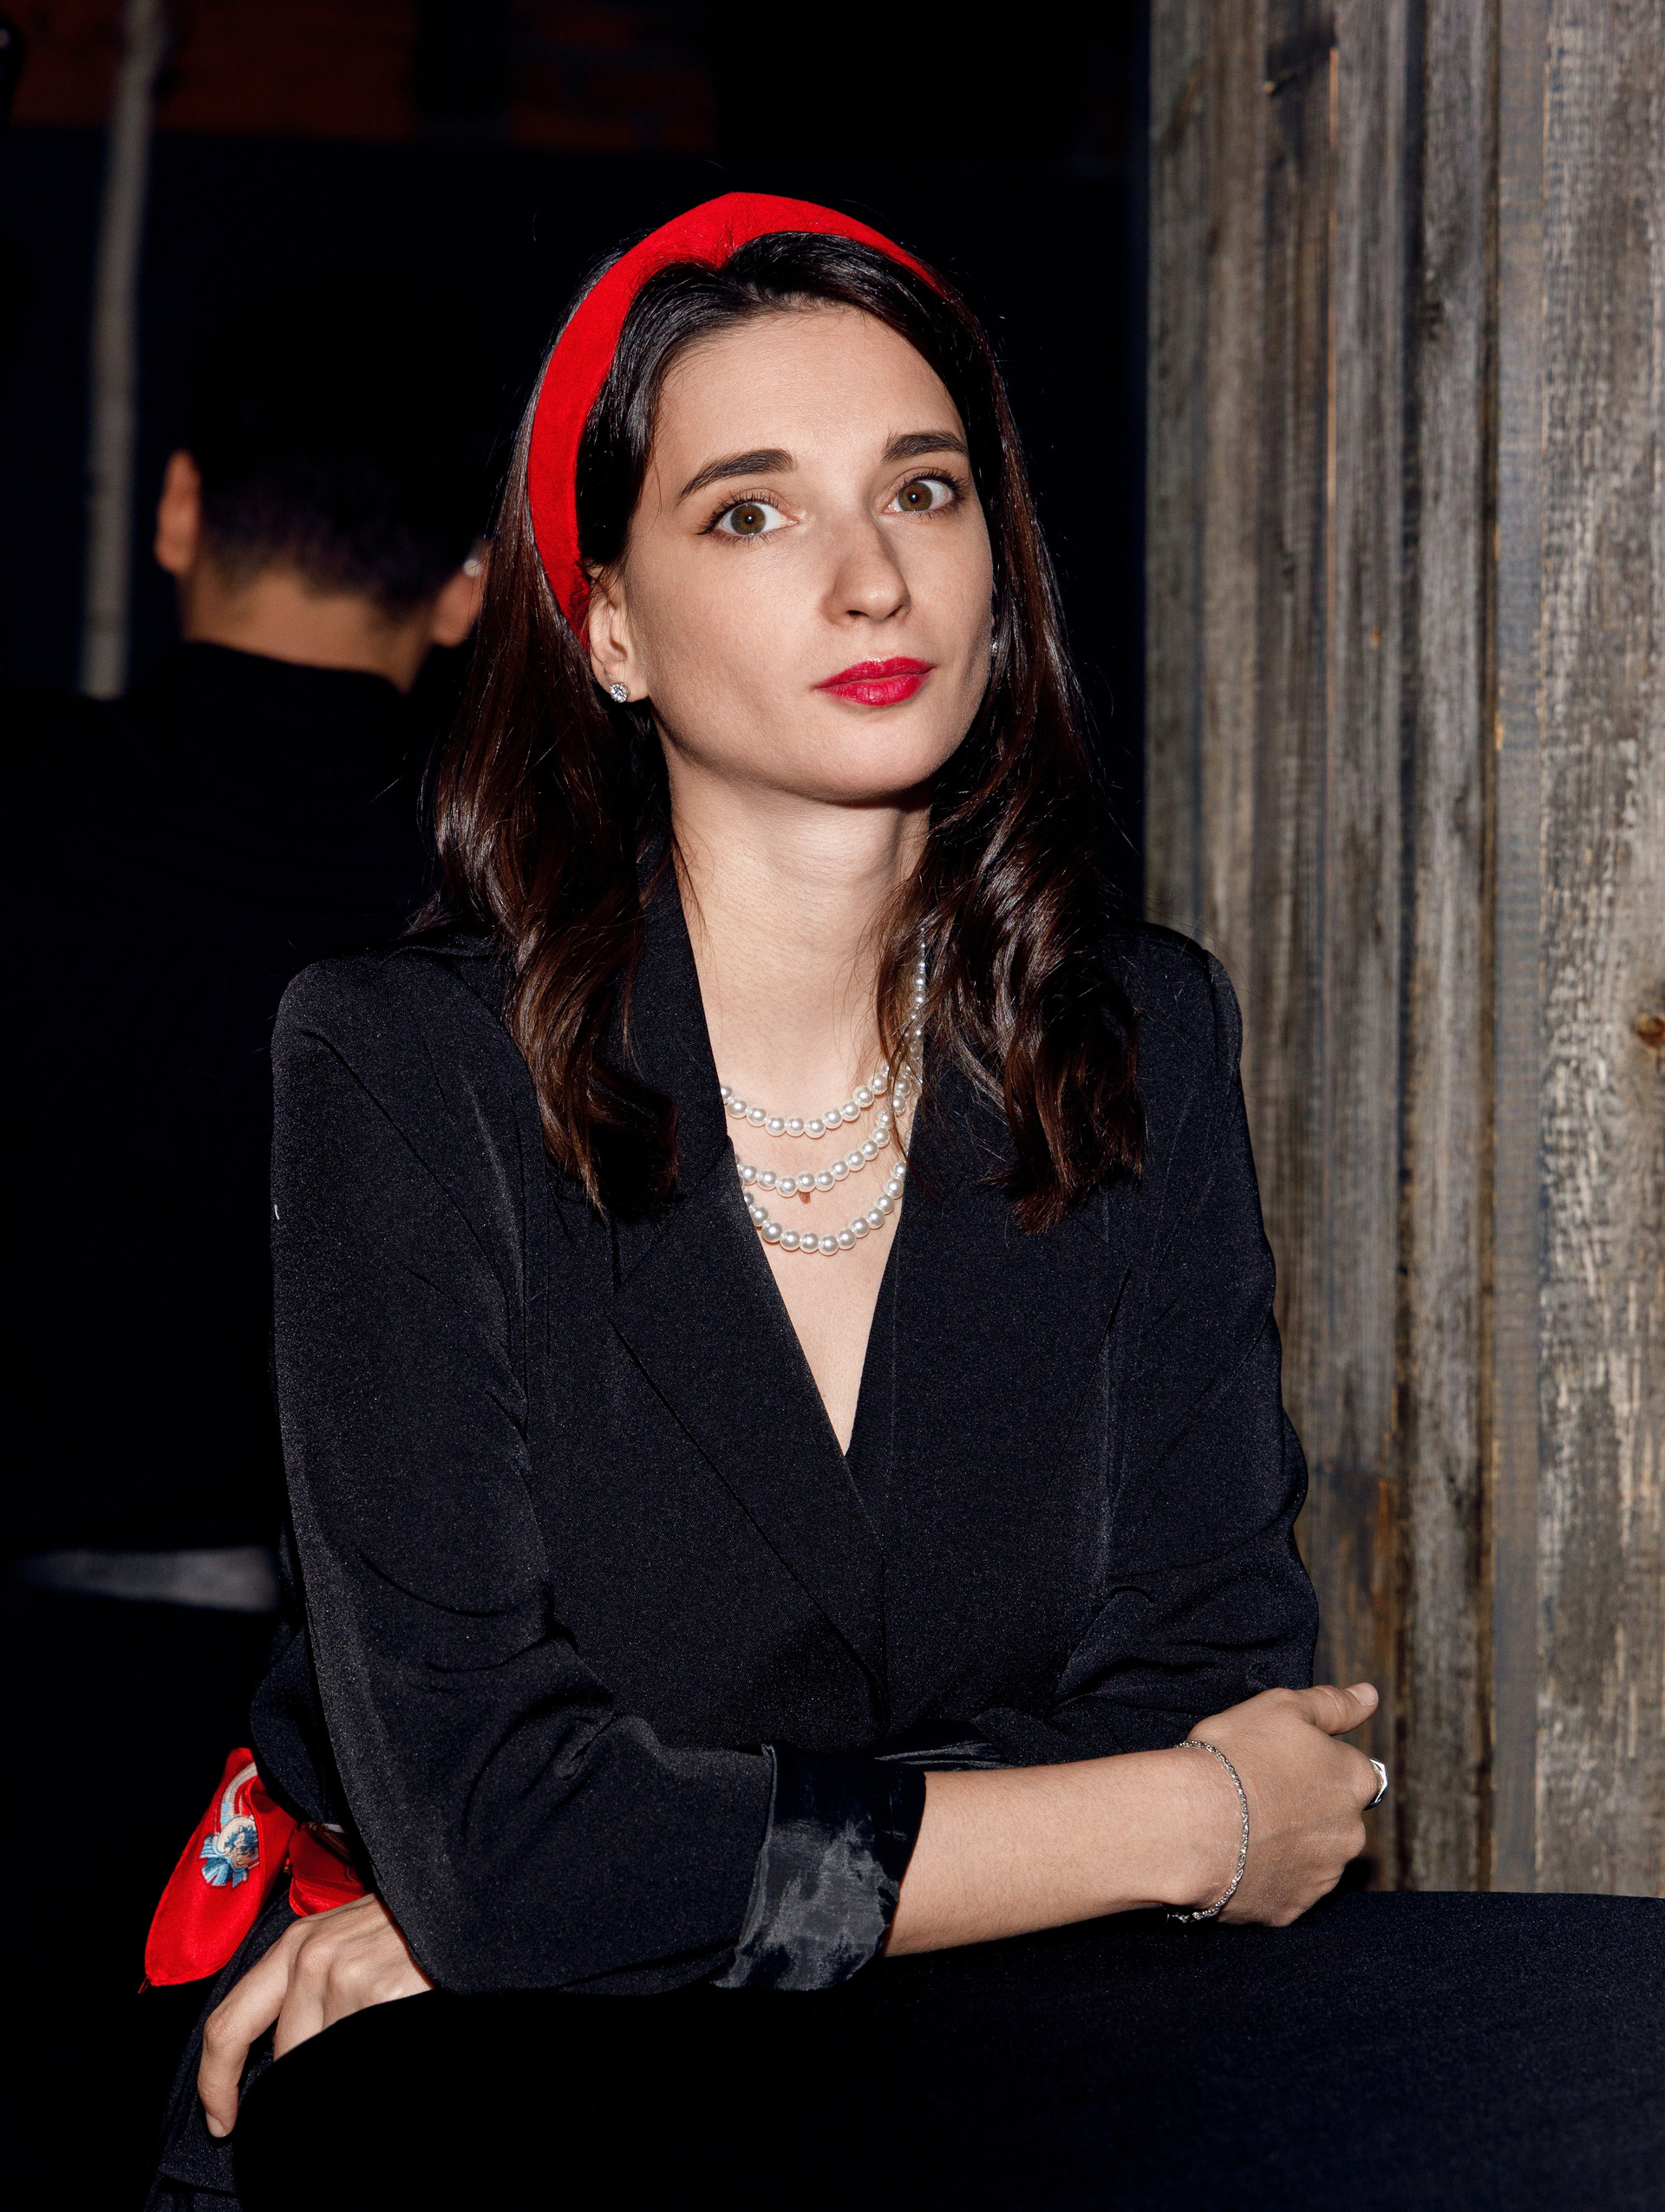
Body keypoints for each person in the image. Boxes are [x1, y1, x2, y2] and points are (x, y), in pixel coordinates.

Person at [145, 198, 1662, 2212]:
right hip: (523, 2102)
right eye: (751, 512)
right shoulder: (407, 1069)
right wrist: (1176, 1822)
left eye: (923, 490)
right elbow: (506, 1834)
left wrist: (638, 1891)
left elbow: (1208, 1679)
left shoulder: (1134, 1030)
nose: (871, 575)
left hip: (991, 2045)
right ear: (606, 625)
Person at [3, 271, 494, 2208]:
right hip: (359, 1777)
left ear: (182, 507)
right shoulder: (516, 905)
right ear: (467, 588)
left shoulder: (21, 813)